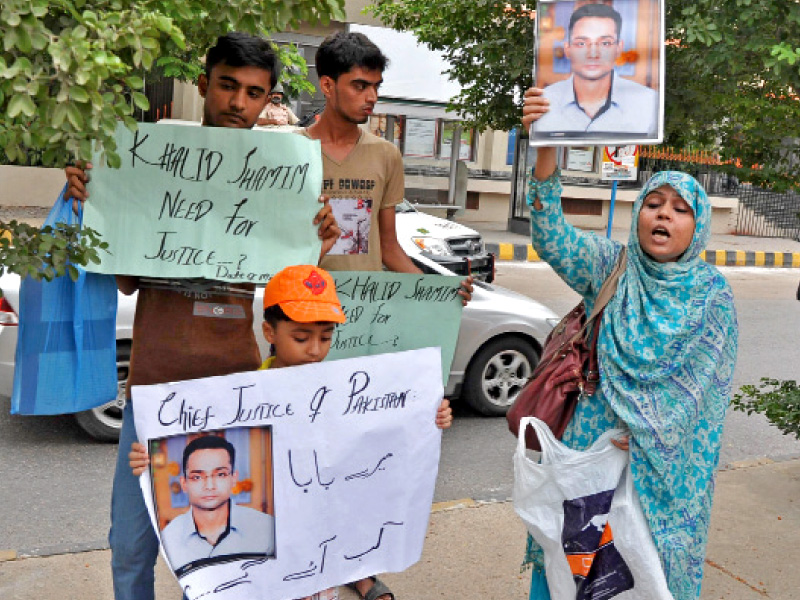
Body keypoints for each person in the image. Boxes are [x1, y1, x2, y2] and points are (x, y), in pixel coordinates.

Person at [65, 32, 340, 600]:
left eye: (255, 93)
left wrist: (320, 243)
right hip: (151, 391)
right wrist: (92, 204)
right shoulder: (148, 161)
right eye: (228, 86)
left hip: (234, 394)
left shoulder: (280, 174)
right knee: (132, 545)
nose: (239, 103)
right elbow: (123, 277)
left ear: (268, 100)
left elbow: (293, 289)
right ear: (203, 85)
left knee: (225, 551)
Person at [520, 87, 738, 600]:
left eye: (680, 209)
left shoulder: (713, 297)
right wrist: (546, 142)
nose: (663, 216)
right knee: (570, 569)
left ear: (697, 226)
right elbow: (551, 234)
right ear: (637, 212)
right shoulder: (611, 268)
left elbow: (704, 399)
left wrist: (644, 433)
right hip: (590, 455)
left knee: (643, 577)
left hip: (663, 476)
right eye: (654, 203)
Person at [132, 264, 454, 600]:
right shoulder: (238, 400)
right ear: (269, 332)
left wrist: (430, 417)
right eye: (301, 338)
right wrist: (148, 459)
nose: (315, 350)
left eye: (326, 337)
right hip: (262, 571)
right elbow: (195, 454)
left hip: (317, 558)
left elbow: (380, 440)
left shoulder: (344, 394)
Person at [304, 31, 469, 600]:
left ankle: (357, 566)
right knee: (308, 455)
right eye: (359, 85)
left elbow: (391, 250)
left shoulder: (385, 155)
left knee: (360, 455)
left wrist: (441, 292)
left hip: (368, 332)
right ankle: (306, 562)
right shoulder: (292, 153)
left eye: (377, 86)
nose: (372, 96)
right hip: (305, 333)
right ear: (327, 85)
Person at [534, 3, 657, 136]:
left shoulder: (649, 102)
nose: (593, 54)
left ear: (618, 48)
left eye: (605, 43)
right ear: (567, 49)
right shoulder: (544, 102)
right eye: (581, 43)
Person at [158, 435, 275, 574]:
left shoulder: (267, 528)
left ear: (233, 479)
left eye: (220, 474)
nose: (209, 486)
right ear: (184, 484)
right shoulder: (170, 535)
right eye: (197, 477)